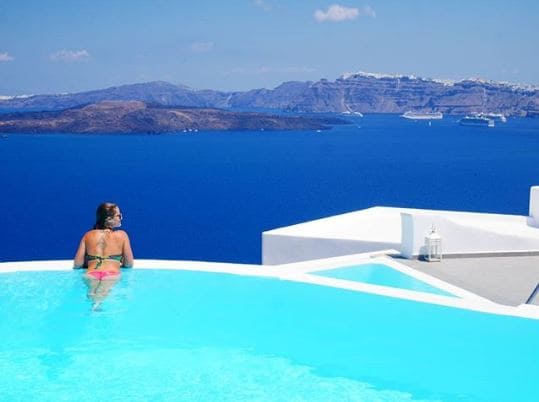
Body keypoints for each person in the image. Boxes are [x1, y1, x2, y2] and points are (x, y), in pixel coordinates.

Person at [74, 202, 134, 308]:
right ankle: (96, 308)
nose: (121, 218)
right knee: (102, 297)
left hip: (91, 273)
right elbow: (129, 264)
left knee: (92, 295)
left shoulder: (88, 235)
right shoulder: (122, 235)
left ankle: (94, 308)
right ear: (108, 219)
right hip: (111, 274)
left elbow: (77, 264)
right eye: (118, 215)